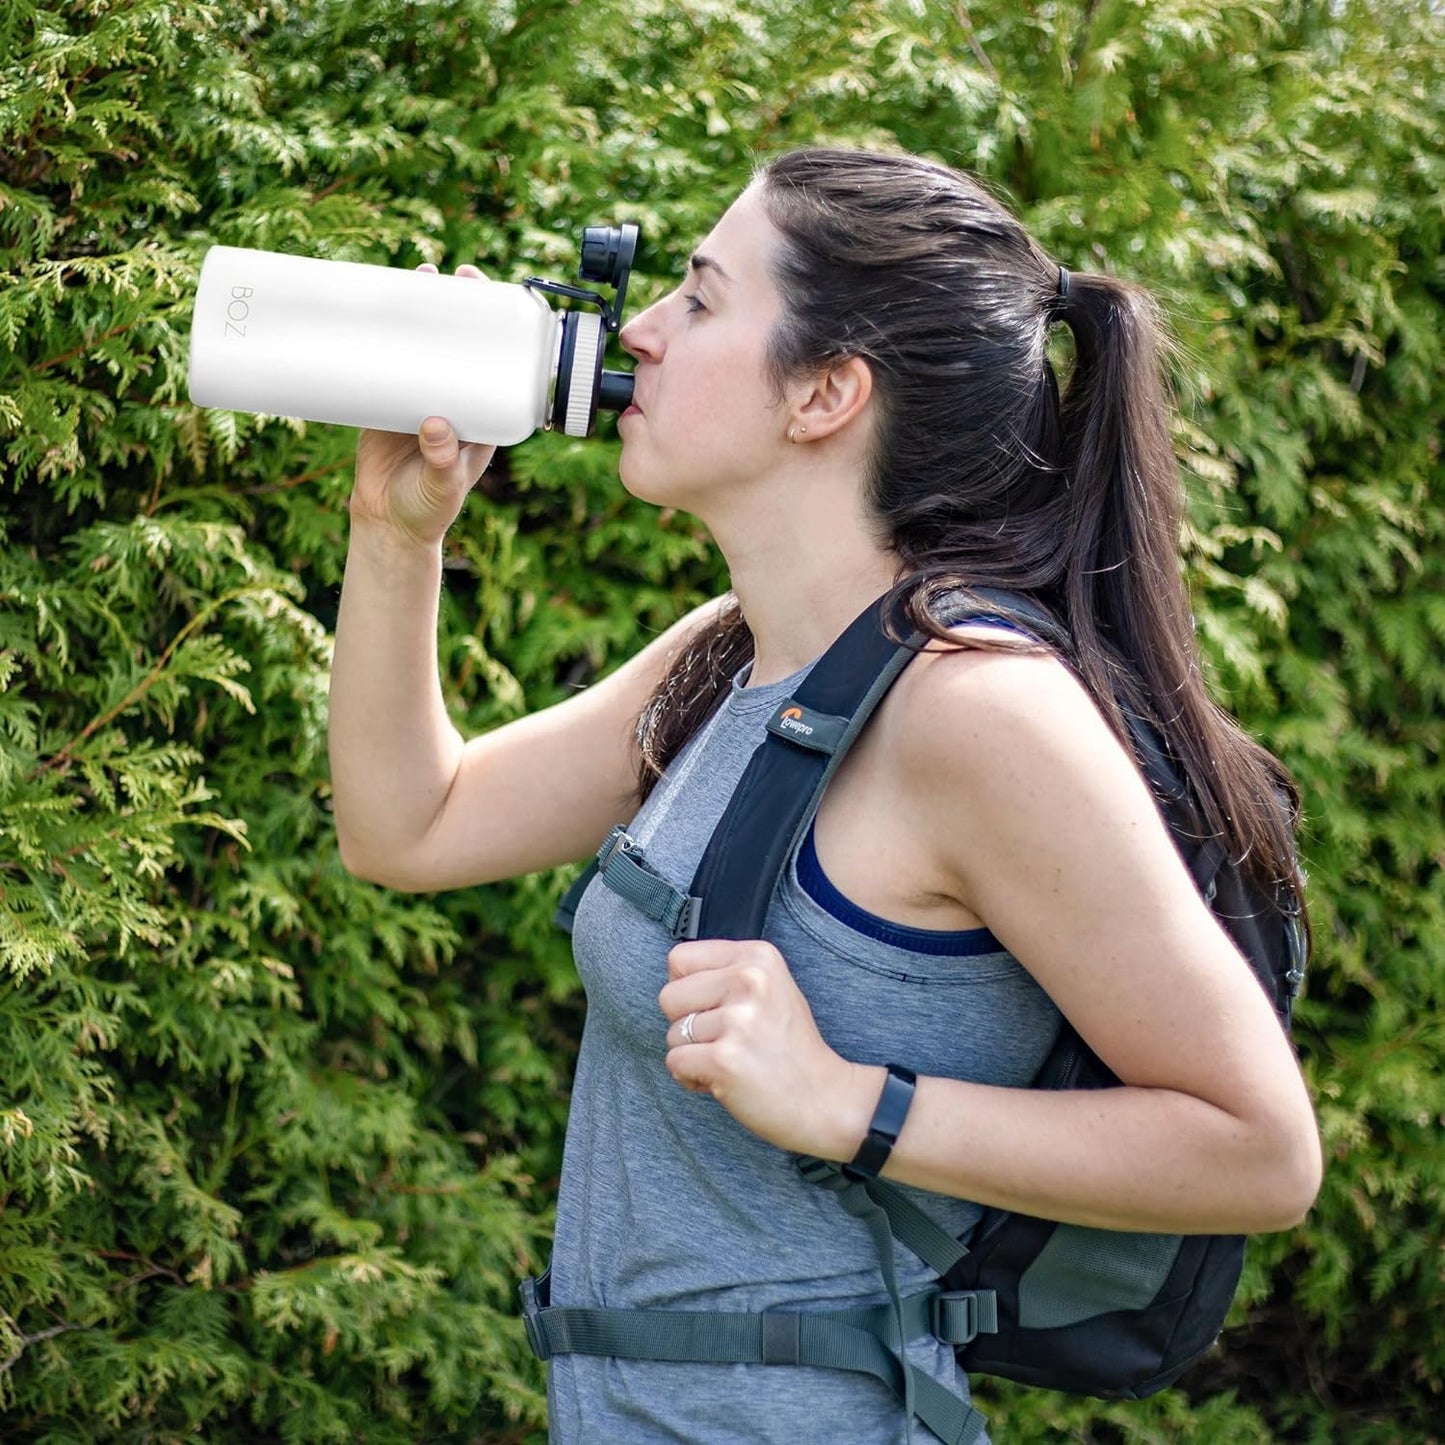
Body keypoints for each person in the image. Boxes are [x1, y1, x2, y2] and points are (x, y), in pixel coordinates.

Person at [327, 147, 1322, 1443]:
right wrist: (396, 535)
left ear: (824, 393)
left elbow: (1257, 1148)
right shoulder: (736, 650)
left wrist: (850, 1101)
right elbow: (412, 826)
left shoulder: (976, 713)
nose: (638, 330)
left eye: (695, 297)